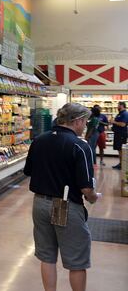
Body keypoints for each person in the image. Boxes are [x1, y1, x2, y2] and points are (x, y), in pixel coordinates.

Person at [24, 103, 99, 291]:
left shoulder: (39, 140)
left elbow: (29, 171)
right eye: (85, 121)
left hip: (39, 203)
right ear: (78, 121)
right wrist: (93, 197)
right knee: (76, 260)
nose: (85, 126)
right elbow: (86, 188)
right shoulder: (80, 146)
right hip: (64, 205)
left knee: (47, 256)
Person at [110, 102, 128, 170]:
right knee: (119, 149)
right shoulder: (120, 114)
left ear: (122, 106)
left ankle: (122, 165)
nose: (117, 106)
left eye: (118, 105)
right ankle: (120, 164)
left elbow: (123, 124)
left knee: (121, 149)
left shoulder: (125, 114)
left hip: (121, 134)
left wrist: (113, 122)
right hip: (118, 134)